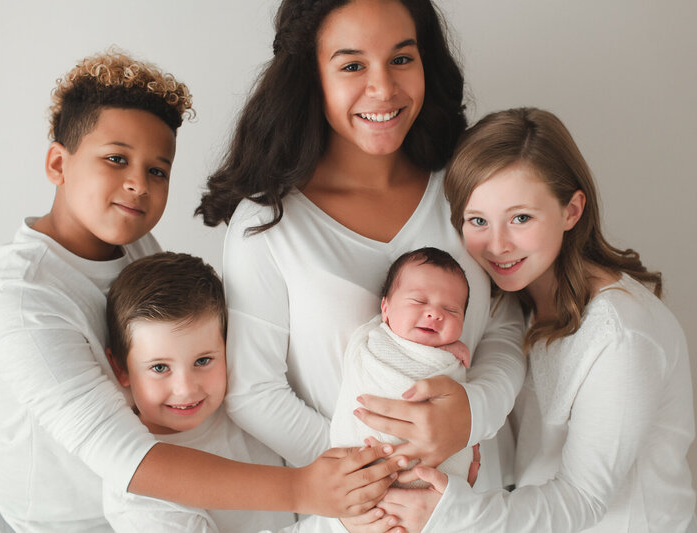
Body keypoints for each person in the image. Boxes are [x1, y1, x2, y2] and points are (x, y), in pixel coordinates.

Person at [0, 49, 401, 533]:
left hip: (154, 506)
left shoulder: (132, 245)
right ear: (57, 163)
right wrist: (304, 488)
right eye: (116, 159)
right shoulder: (23, 302)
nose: (137, 185)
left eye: (157, 170)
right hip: (64, 522)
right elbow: (130, 460)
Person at [197, 1, 527, 528]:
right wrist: (364, 477)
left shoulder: (467, 188)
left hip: (476, 508)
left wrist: (472, 414)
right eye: (352, 65)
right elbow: (253, 391)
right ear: (311, 76)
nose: (384, 89)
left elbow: (506, 325)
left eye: (401, 58)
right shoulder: (268, 224)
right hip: (355, 519)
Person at [391, 106, 697, 532]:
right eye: (478, 220)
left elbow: (583, 498)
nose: (497, 244)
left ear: (571, 211)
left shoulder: (622, 334)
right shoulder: (514, 304)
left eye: (521, 218)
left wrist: (450, 513)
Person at [103, 252, 296, 532]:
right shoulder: (139, 499)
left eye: (203, 361)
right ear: (121, 369)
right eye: (159, 368)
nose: (186, 389)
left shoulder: (252, 403)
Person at [330, 247, 481, 487]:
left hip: (435, 471)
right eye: (419, 301)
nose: (434, 314)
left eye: (451, 310)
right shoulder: (373, 343)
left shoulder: (451, 360)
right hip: (370, 458)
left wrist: (443, 352)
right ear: (386, 309)